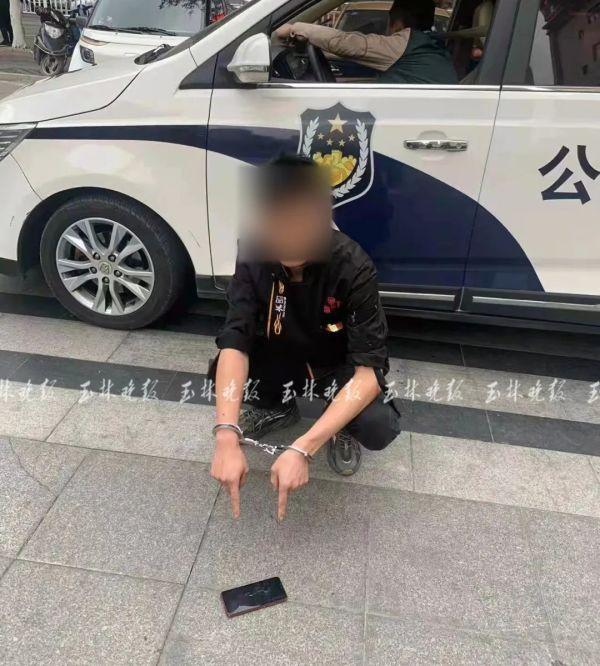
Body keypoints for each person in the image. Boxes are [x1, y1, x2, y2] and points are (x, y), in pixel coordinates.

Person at [209, 155, 401, 521]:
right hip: (279, 355)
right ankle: (278, 408)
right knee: (223, 372)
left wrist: (303, 447)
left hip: (333, 366)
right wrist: (225, 434)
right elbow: (235, 338)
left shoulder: (353, 266)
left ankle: (338, 425)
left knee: (376, 424)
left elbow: (369, 371)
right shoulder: (252, 252)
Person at [276, 0, 458, 85]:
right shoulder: (429, 45)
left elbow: (346, 43)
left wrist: (294, 27)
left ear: (397, 23)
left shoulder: (406, 43)